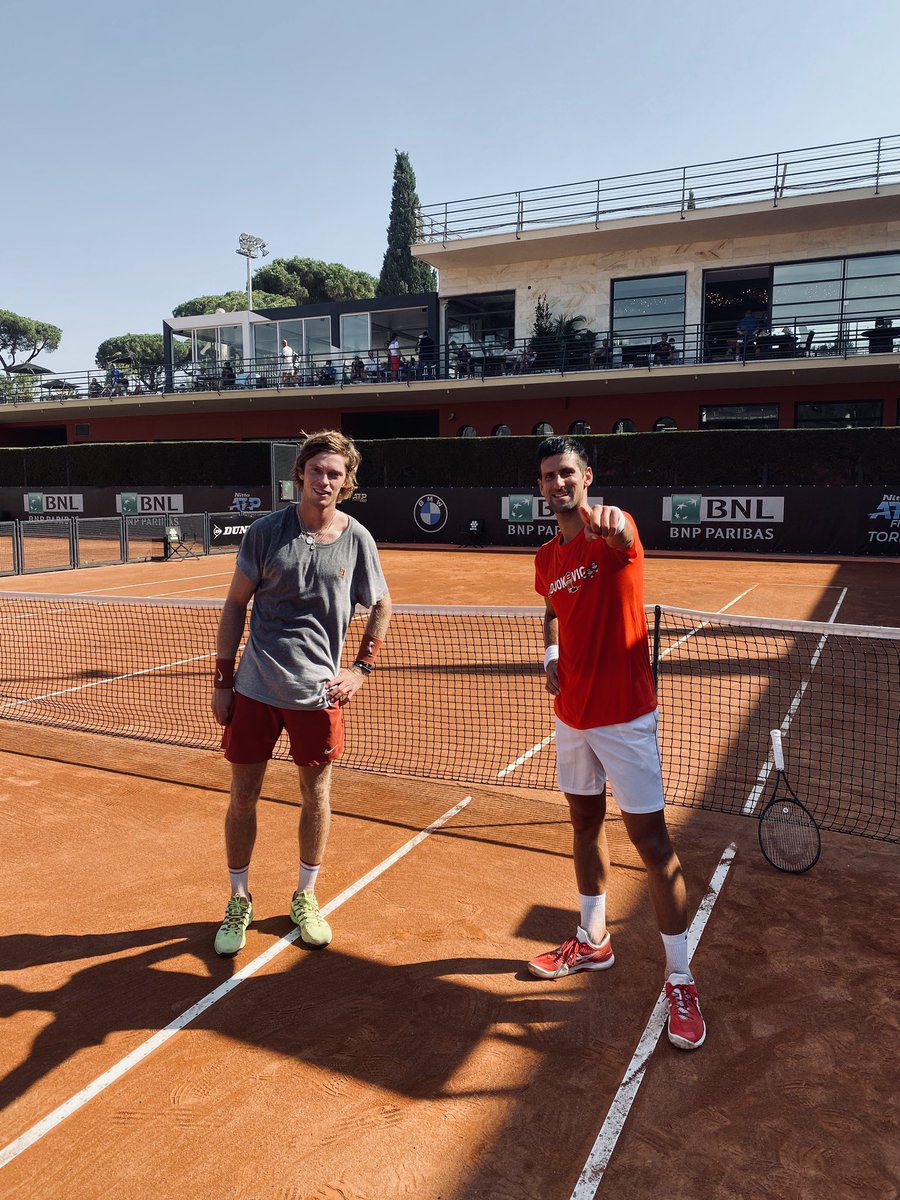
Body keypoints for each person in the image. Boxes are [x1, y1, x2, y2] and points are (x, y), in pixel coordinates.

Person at [528, 435, 706, 1051]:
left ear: (586, 477)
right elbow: (551, 611)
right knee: (584, 824)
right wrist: (551, 654)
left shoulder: (613, 529)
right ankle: (593, 940)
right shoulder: (546, 557)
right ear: (540, 486)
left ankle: (680, 978)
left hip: (626, 718)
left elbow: (622, 536)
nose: (558, 483)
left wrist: (613, 526)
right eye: (548, 476)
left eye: (567, 473)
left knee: (653, 845)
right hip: (571, 715)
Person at [211, 430, 392, 956]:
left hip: (318, 696)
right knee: (243, 796)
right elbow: (234, 606)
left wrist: (361, 668)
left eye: (335, 474)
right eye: (317, 471)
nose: (324, 481)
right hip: (255, 689)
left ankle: (306, 896)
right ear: (301, 475)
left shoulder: (358, 539)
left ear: (346, 482)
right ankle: (239, 899)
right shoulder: (265, 532)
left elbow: (381, 604)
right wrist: (223, 680)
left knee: (316, 796)